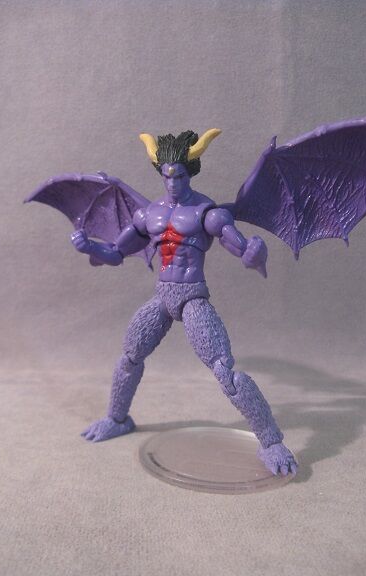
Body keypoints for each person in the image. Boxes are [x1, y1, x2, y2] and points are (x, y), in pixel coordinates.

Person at [71, 129, 297, 476]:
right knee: (130, 356)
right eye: (167, 176)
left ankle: (271, 442)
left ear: (190, 172)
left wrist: (255, 254)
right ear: (160, 174)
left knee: (225, 371)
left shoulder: (208, 214)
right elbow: (116, 253)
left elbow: (241, 251)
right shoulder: (148, 215)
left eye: (178, 175)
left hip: (192, 297)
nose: (173, 183)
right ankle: (116, 419)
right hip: (163, 296)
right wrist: (90, 247)